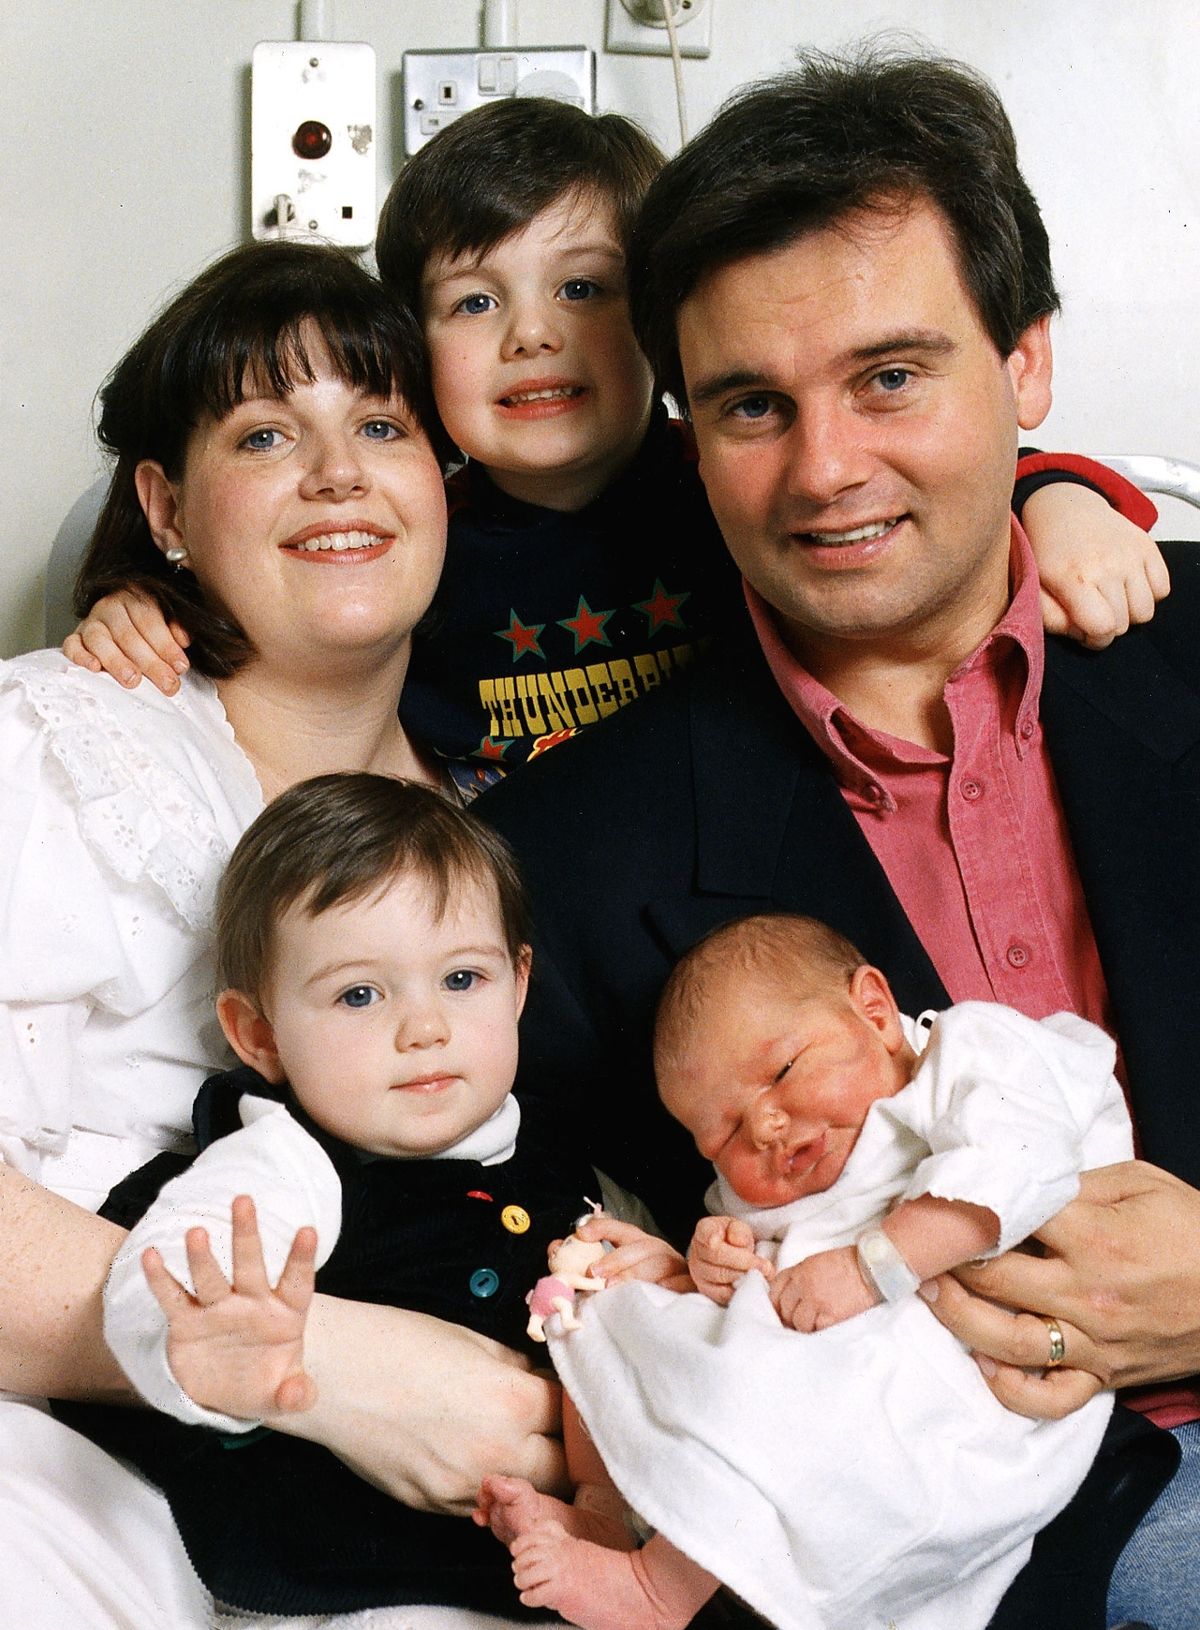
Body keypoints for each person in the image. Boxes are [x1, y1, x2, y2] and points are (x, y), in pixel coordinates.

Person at [477, 45, 1200, 1630]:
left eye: (890, 375)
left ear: (1026, 368)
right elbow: (463, 1197)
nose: (825, 470)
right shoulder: (567, 854)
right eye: (751, 404)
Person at [0, 241, 562, 1630]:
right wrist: (340, 1364)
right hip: (76, 1472)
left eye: (381, 425)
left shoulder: (507, 812)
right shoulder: (55, 745)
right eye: (266, 433)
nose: (338, 473)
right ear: (165, 507)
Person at [64, 100, 1164, 792]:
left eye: (584, 288)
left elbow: (931, 484)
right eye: (475, 303)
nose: (535, 333)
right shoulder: (404, 531)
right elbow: (268, 594)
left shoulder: (736, 478)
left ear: (664, 326)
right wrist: (139, 599)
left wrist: (1061, 498)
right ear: (413, 348)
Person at [478, 913, 1135, 1630]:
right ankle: (604, 1509)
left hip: (969, 1385)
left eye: (784, 1071)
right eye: (722, 1133)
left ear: (876, 1012)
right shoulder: (795, 1171)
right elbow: (778, 1270)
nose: (764, 1128)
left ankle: (660, 1592)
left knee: (785, 1399)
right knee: (606, 1304)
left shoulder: (975, 1057)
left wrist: (872, 1264)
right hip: (855, 1341)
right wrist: (710, 1263)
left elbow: (1020, 1163)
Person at [59, 773, 605, 1621]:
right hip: (360, 1586)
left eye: (463, 980)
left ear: (520, 983)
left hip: (556, 1569)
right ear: (260, 1034)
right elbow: (157, 1270)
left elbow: (621, 1250)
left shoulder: (555, 1150)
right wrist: (203, 1344)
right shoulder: (282, 1164)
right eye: (360, 994)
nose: (423, 1026)